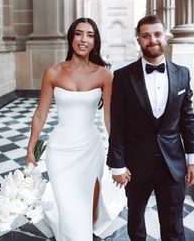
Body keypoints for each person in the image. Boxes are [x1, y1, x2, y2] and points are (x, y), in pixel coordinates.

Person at [25, 17, 125, 241]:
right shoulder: (53, 72)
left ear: (95, 41)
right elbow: (41, 113)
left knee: (90, 211)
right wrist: (30, 149)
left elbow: (109, 118)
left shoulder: (104, 75)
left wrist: (119, 155)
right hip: (60, 150)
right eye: (79, 33)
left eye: (90, 35)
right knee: (69, 210)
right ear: (71, 37)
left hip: (91, 149)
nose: (84, 40)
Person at [107, 14, 194, 241]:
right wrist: (117, 165)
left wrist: (193, 159)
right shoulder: (122, 77)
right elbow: (117, 124)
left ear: (166, 38)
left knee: (174, 226)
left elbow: (187, 119)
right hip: (136, 164)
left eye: (157, 34)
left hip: (173, 164)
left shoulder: (182, 74)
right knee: (136, 224)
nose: (152, 40)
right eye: (146, 36)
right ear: (138, 40)